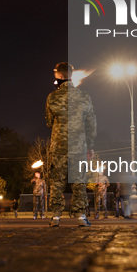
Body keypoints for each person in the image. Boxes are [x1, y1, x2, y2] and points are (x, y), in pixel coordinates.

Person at [46, 62, 96, 227]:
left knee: (57, 181)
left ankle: (55, 216)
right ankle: (81, 216)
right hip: (79, 146)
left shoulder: (52, 97)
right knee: (79, 180)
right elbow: (91, 123)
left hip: (59, 146)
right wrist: (90, 146)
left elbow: (49, 121)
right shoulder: (84, 96)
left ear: (59, 76)